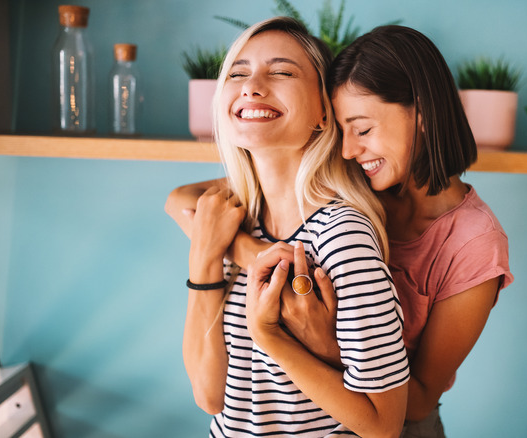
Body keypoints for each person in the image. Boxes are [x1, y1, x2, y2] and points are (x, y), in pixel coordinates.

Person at [169, 24, 513, 438]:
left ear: (421, 114)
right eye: (342, 128)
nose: (347, 149)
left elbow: (412, 400)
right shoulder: (362, 176)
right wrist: (249, 252)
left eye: (363, 129)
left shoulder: (472, 242)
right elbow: (181, 200)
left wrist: (310, 338)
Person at [168, 16, 410, 437]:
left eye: (281, 71)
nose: (252, 85)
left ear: (323, 110)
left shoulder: (342, 236)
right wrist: (213, 257)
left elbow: (384, 426)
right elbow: (209, 397)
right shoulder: (233, 218)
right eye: (238, 73)